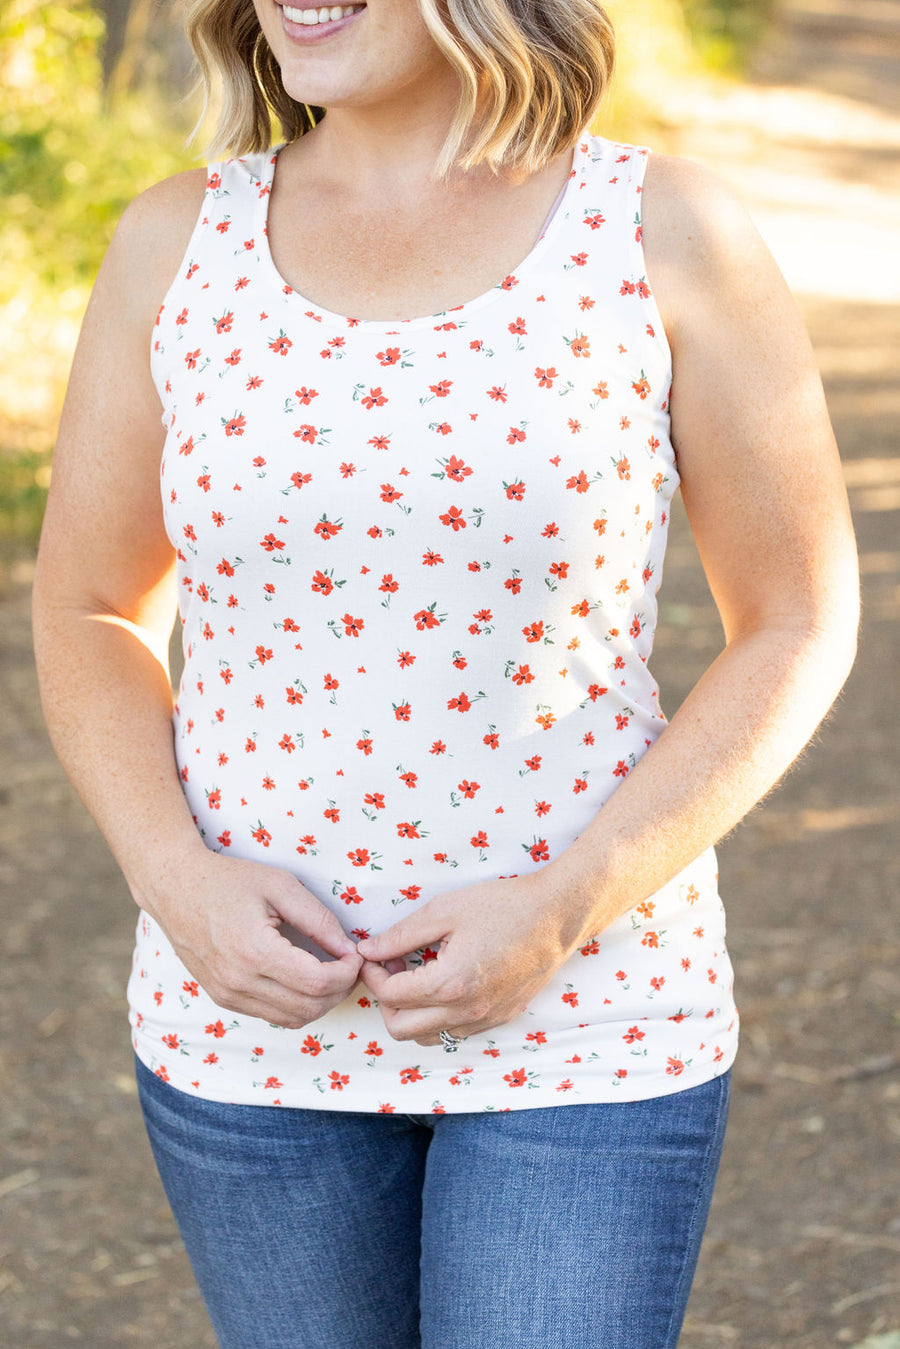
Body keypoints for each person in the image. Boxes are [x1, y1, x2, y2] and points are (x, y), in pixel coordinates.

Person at [31, 0, 859, 1344]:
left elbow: (799, 614)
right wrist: (174, 877)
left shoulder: (660, 231)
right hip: (249, 1037)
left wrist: (561, 908)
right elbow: (86, 607)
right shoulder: (173, 242)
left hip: (587, 1024)